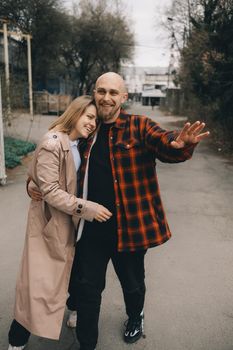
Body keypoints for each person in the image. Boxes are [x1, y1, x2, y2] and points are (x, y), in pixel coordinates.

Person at [29, 72, 210, 350]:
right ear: (95, 94)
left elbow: (165, 143)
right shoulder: (87, 129)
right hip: (89, 228)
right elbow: (55, 156)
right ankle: (87, 344)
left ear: (124, 97)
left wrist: (179, 143)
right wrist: (33, 182)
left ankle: (135, 317)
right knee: (89, 289)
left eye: (114, 92)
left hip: (130, 229)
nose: (106, 98)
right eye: (102, 91)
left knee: (133, 284)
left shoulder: (139, 126)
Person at [7, 95, 112, 350]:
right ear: (75, 113)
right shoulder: (53, 142)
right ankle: (16, 341)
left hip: (71, 226)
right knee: (38, 285)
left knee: (73, 275)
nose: (91, 123)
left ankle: (74, 309)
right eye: (88, 117)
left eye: (95, 120)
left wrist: (33, 183)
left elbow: (41, 177)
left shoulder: (80, 144)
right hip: (50, 225)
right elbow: (51, 190)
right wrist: (88, 208)